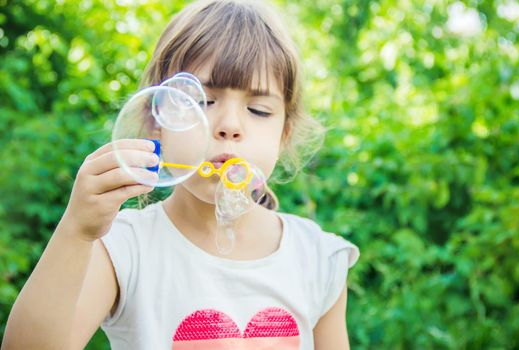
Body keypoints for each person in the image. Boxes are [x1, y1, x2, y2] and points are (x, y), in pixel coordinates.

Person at [1, 0, 359, 349]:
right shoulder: (125, 248)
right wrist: (76, 232)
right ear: (158, 122)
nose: (230, 126)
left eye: (258, 110)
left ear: (284, 134)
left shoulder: (317, 259)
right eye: (202, 102)